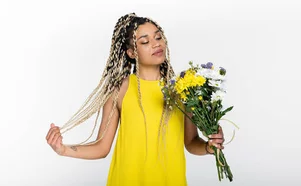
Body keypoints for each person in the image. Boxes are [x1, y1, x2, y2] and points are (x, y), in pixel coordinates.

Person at [44, 13, 225, 186]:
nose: (156, 44)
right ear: (131, 52)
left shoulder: (182, 89)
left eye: (158, 37)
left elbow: (191, 143)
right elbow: (101, 147)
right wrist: (64, 149)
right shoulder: (120, 90)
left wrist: (210, 147)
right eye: (145, 41)